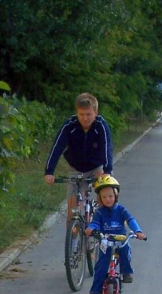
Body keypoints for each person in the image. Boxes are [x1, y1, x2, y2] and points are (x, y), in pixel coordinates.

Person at [44, 93, 113, 222]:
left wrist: (107, 171)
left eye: (88, 114)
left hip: (96, 167)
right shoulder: (70, 126)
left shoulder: (101, 126)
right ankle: (73, 240)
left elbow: (106, 148)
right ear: (77, 113)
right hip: (76, 168)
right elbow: (57, 147)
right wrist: (49, 171)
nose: (85, 118)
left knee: (105, 196)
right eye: (81, 114)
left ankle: (103, 227)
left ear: (95, 113)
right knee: (73, 209)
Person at [83, 176, 146, 294]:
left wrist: (138, 231)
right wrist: (91, 228)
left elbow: (131, 220)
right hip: (106, 241)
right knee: (101, 266)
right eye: (104, 197)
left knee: (126, 249)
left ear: (116, 195)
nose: (107, 199)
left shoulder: (121, 210)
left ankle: (126, 273)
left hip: (120, 240)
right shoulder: (100, 212)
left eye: (110, 196)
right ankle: (94, 293)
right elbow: (95, 223)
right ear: (100, 198)